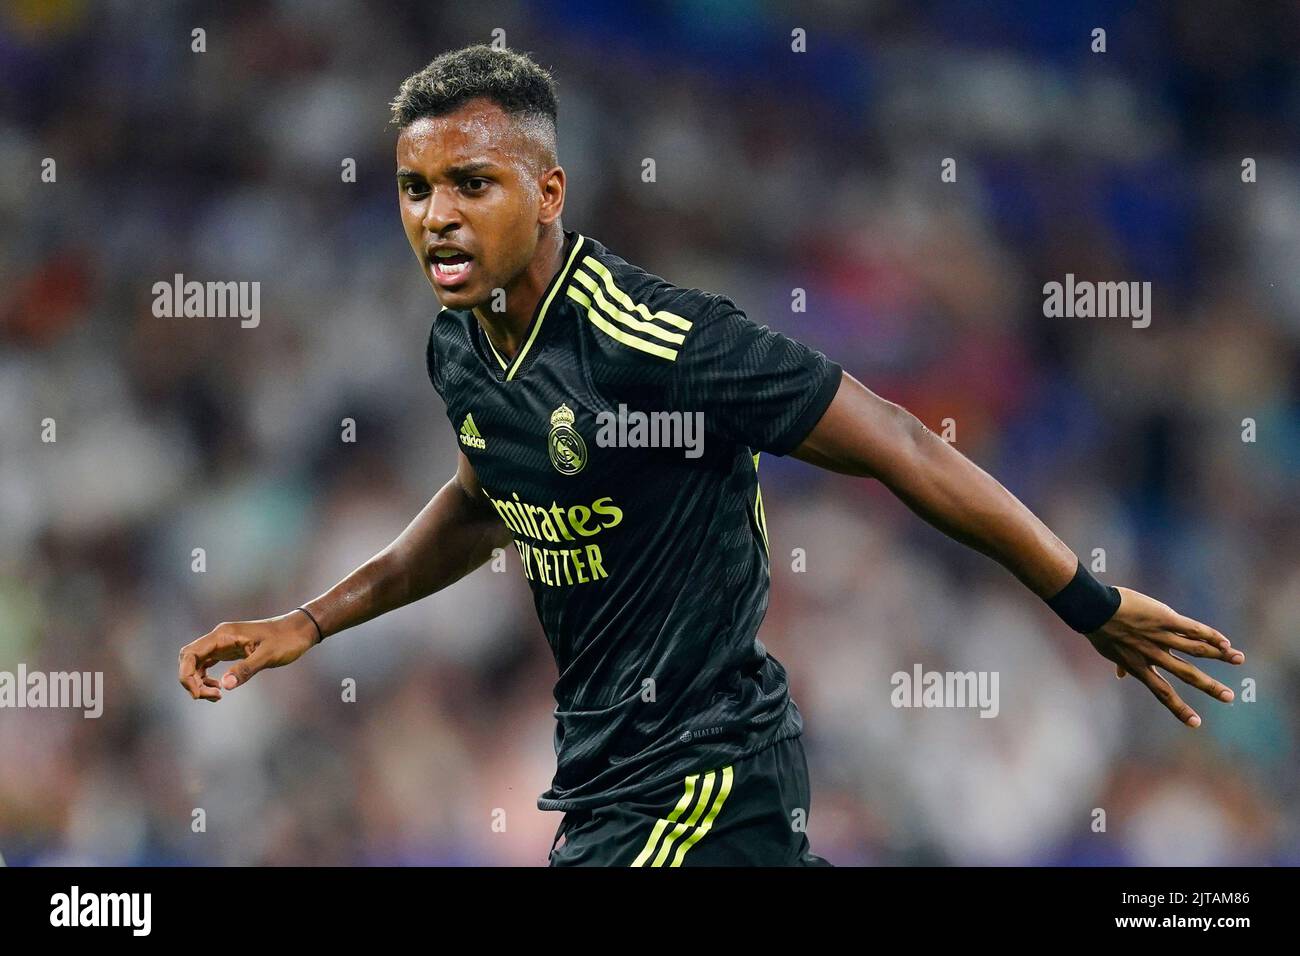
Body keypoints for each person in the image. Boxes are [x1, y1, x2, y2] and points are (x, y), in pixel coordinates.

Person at [178, 45, 1245, 867]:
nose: (438, 217)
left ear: (548, 193)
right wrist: (310, 619)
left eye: (472, 183)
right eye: (416, 190)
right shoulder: (459, 342)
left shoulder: (662, 339)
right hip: (604, 779)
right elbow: (481, 499)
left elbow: (900, 441)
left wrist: (1086, 600)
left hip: (706, 768)